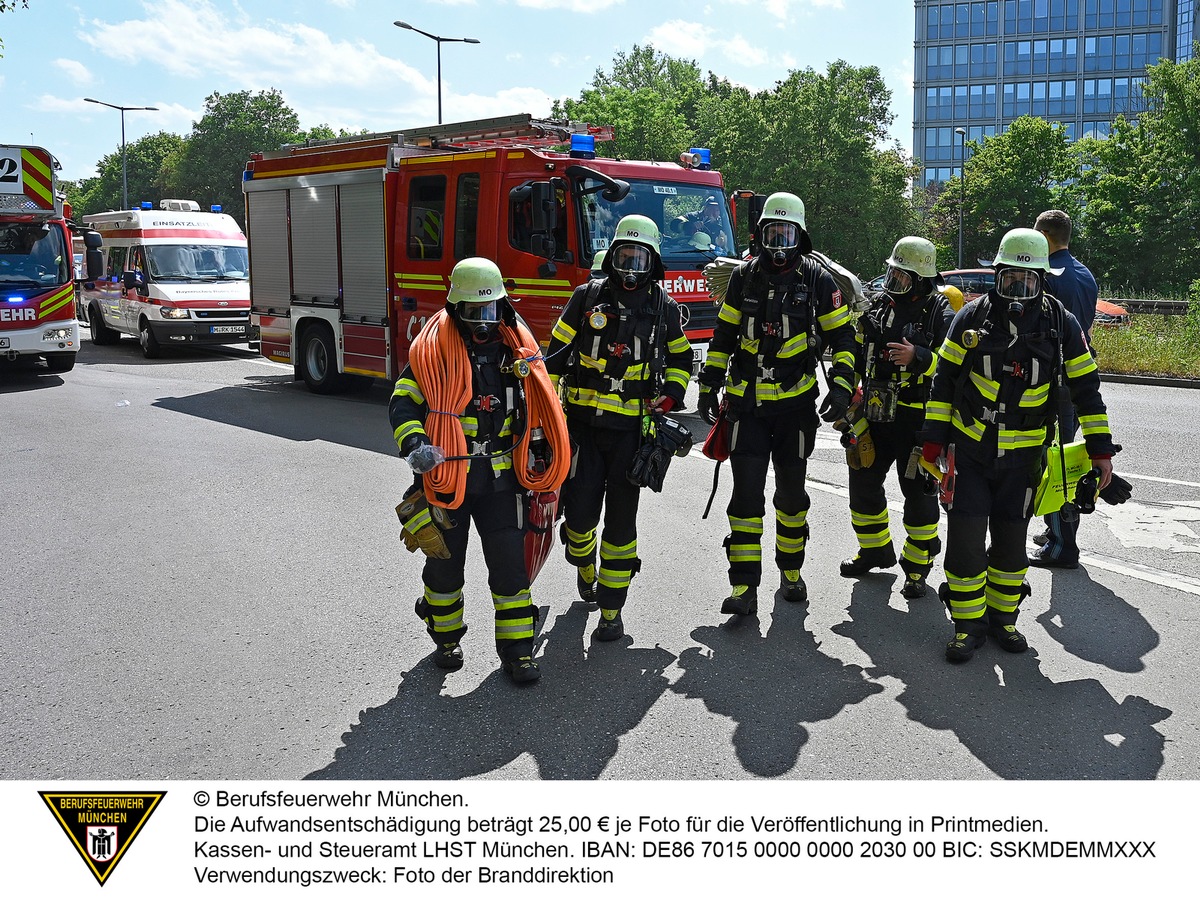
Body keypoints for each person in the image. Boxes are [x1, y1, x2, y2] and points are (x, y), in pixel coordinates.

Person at [923, 228, 1118, 662]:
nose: (1017, 289)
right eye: (1010, 279)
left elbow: (1087, 389)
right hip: (971, 454)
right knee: (966, 541)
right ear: (997, 275)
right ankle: (967, 625)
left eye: (1027, 281)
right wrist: (932, 444)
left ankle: (1003, 620)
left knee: (1011, 545)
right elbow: (943, 382)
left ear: (1042, 280)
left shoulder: (1060, 323)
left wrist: (1100, 450)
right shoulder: (970, 318)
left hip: (1024, 460)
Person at [390, 257, 570, 684]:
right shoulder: (433, 353)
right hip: (446, 478)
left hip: (500, 480)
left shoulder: (518, 351)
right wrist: (415, 444)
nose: (483, 325)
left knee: (510, 568)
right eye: (474, 314)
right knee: (445, 570)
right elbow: (402, 400)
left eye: (490, 313)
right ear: (455, 310)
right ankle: (446, 638)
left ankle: (519, 653)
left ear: (504, 308)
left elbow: (541, 402)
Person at [697, 192, 857, 615]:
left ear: (800, 237)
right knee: (746, 498)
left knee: (791, 498)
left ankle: (791, 571)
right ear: (761, 235)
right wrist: (708, 383)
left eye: (787, 233)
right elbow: (724, 335)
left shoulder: (818, 281)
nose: (779, 242)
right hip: (746, 408)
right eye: (773, 232)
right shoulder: (743, 278)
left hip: (795, 410)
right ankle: (743, 587)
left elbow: (843, 338)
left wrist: (841, 388)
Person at [544, 215, 692, 641]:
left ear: (653, 262)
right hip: (583, 429)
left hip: (632, 434)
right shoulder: (586, 297)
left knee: (622, 525)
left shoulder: (662, 308)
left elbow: (681, 360)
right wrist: (549, 412)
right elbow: (554, 358)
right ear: (612, 257)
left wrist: (670, 396)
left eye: (640, 257)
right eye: (625, 255)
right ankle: (585, 568)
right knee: (580, 516)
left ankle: (612, 611)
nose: (631, 266)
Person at [839, 236, 955, 599]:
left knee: (918, 497)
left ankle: (917, 568)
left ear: (921, 279)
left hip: (917, 421)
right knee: (862, 486)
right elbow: (856, 353)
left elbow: (955, 365)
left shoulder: (941, 312)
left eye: (902, 278)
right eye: (892, 275)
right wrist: (844, 394)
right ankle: (875, 551)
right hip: (874, 415)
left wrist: (919, 356)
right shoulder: (877, 307)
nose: (894, 285)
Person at [1029, 209, 1099, 570]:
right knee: (1066, 454)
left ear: (1043, 235)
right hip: (1076, 374)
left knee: (1052, 459)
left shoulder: (1049, 276)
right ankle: (1056, 528)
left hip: (1052, 380)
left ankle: (1061, 545)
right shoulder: (1084, 274)